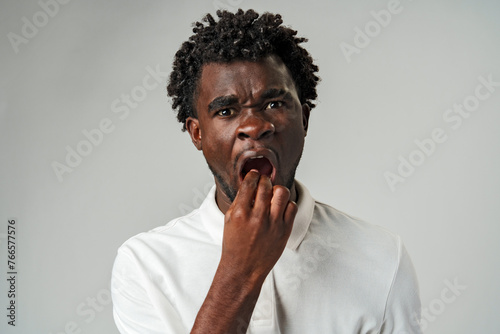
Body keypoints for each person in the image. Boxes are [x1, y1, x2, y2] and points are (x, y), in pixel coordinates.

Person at [111, 9, 422, 334]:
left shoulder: (383, 257)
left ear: (304, 119)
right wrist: (240, 270)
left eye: (274, 104)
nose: (254, 126)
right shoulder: (146, 265)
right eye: (226, 110)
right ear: (197, 133)